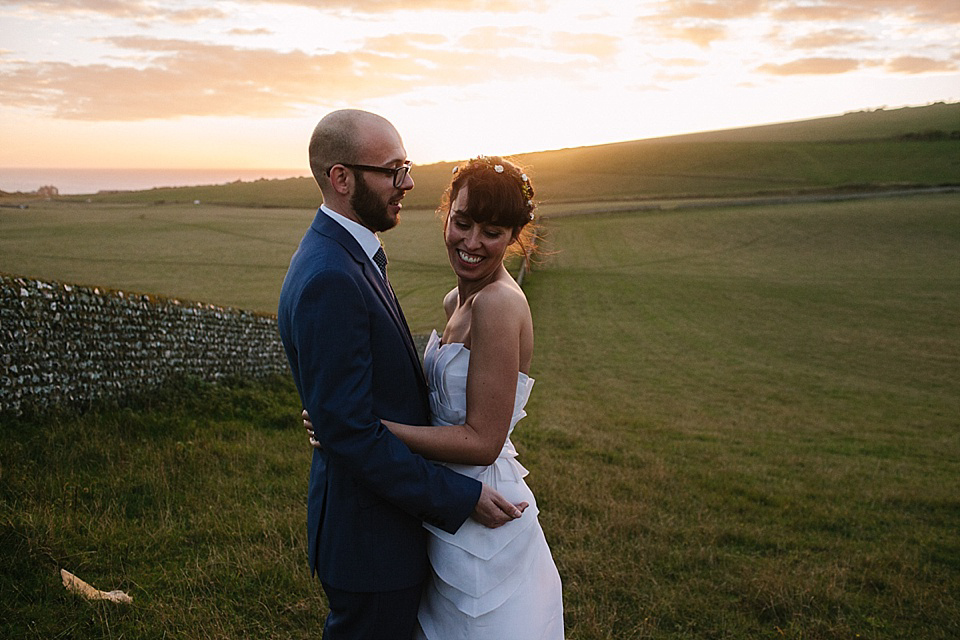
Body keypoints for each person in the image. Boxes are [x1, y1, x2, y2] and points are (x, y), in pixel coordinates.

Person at [278, 110, 528, 640]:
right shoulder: (332, 274)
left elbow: (353, 421)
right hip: (372, 535)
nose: (408, 183)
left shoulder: (352, 255)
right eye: (393, 171)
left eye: (406, 167)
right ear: (342, 178)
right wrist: (456, 497)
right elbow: (349, 431)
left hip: (407, 520)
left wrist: (352, 424)